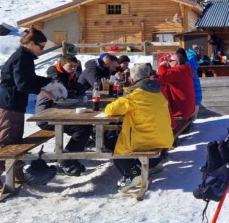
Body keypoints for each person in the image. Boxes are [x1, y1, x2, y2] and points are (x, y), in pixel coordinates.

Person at [0, 28, 54, 192]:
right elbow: (22, 84)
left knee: (15, 142)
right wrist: (41, 90)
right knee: (5, 142)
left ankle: (16, 172)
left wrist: (48, 80)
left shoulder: (26, 57)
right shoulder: (22, 58)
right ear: (31, 44)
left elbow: (28, 79)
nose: (42, 50)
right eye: (41, 46)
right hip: (8, 105)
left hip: (15, 105)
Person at [105, 63, 174, 191]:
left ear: (132, 79)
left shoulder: (135, 94)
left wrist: (126, 93)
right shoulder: (156, 90)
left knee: (115, 148)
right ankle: (152, 164)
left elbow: (110, 110)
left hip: (145, 138)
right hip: (163, 137)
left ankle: (134, 175)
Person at [34, 53, 91, 176]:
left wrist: (78, 90)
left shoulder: (68, 76)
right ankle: (65, 162)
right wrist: (75, 92)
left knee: (87, 126)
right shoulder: (55, 78)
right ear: (62, 64)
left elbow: (78, 87)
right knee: (82, 130)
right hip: (46, 117)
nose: (73, 69)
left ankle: (69, 157)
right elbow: (64, 95)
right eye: (70, 66)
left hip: (58, 114)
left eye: (75, 66)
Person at [156, 52, 196, 134]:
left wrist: (162, 66)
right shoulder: (184, 70)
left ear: (177, 62)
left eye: (170, 60)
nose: (168, 62)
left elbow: (163, 74)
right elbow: (163, 79)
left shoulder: (179, 71)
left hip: (180, 110)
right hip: (186, 108)